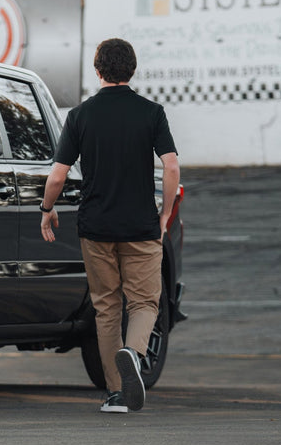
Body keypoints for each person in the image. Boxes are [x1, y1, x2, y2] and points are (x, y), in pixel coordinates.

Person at [40, 38, 179, 413]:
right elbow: (171, 167)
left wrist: (47, 209)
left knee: (106, 308)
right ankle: (133, 352)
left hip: (96, 228)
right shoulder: (151, 113)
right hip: (141, 227)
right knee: (145, 302)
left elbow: (57, 176)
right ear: (132, 69)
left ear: (98, 70)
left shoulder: (80, 115)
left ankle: (116, 393)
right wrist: (165, 213)